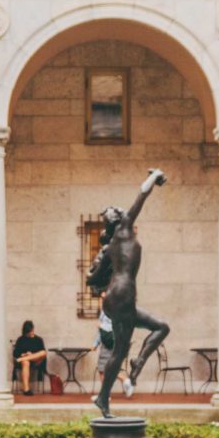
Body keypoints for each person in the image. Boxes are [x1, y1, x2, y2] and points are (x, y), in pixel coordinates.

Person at [87, 167, 169, 418]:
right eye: (120, 213)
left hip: (119, 298)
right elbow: (140, 198)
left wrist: (99, 281)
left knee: (159, 329)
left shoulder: (112, 245)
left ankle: (113, 388)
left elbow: (93, 278)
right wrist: (154, 178)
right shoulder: (123, 231)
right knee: (126, 347)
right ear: (118, 220)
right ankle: (110, 391)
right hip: (122, 296)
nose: (124, 213)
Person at [12, 321, 48, 394]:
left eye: (31, 331)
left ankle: (24, 359)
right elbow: (15, 353)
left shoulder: (38, 339)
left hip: (36, 361)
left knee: (43, 353)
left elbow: (42, 352)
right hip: (25, 362)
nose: (30, 333)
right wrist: (24, 354)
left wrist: (31, 354)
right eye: (28, 332)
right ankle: (26, 389)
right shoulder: (21, 339)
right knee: (25, 362)